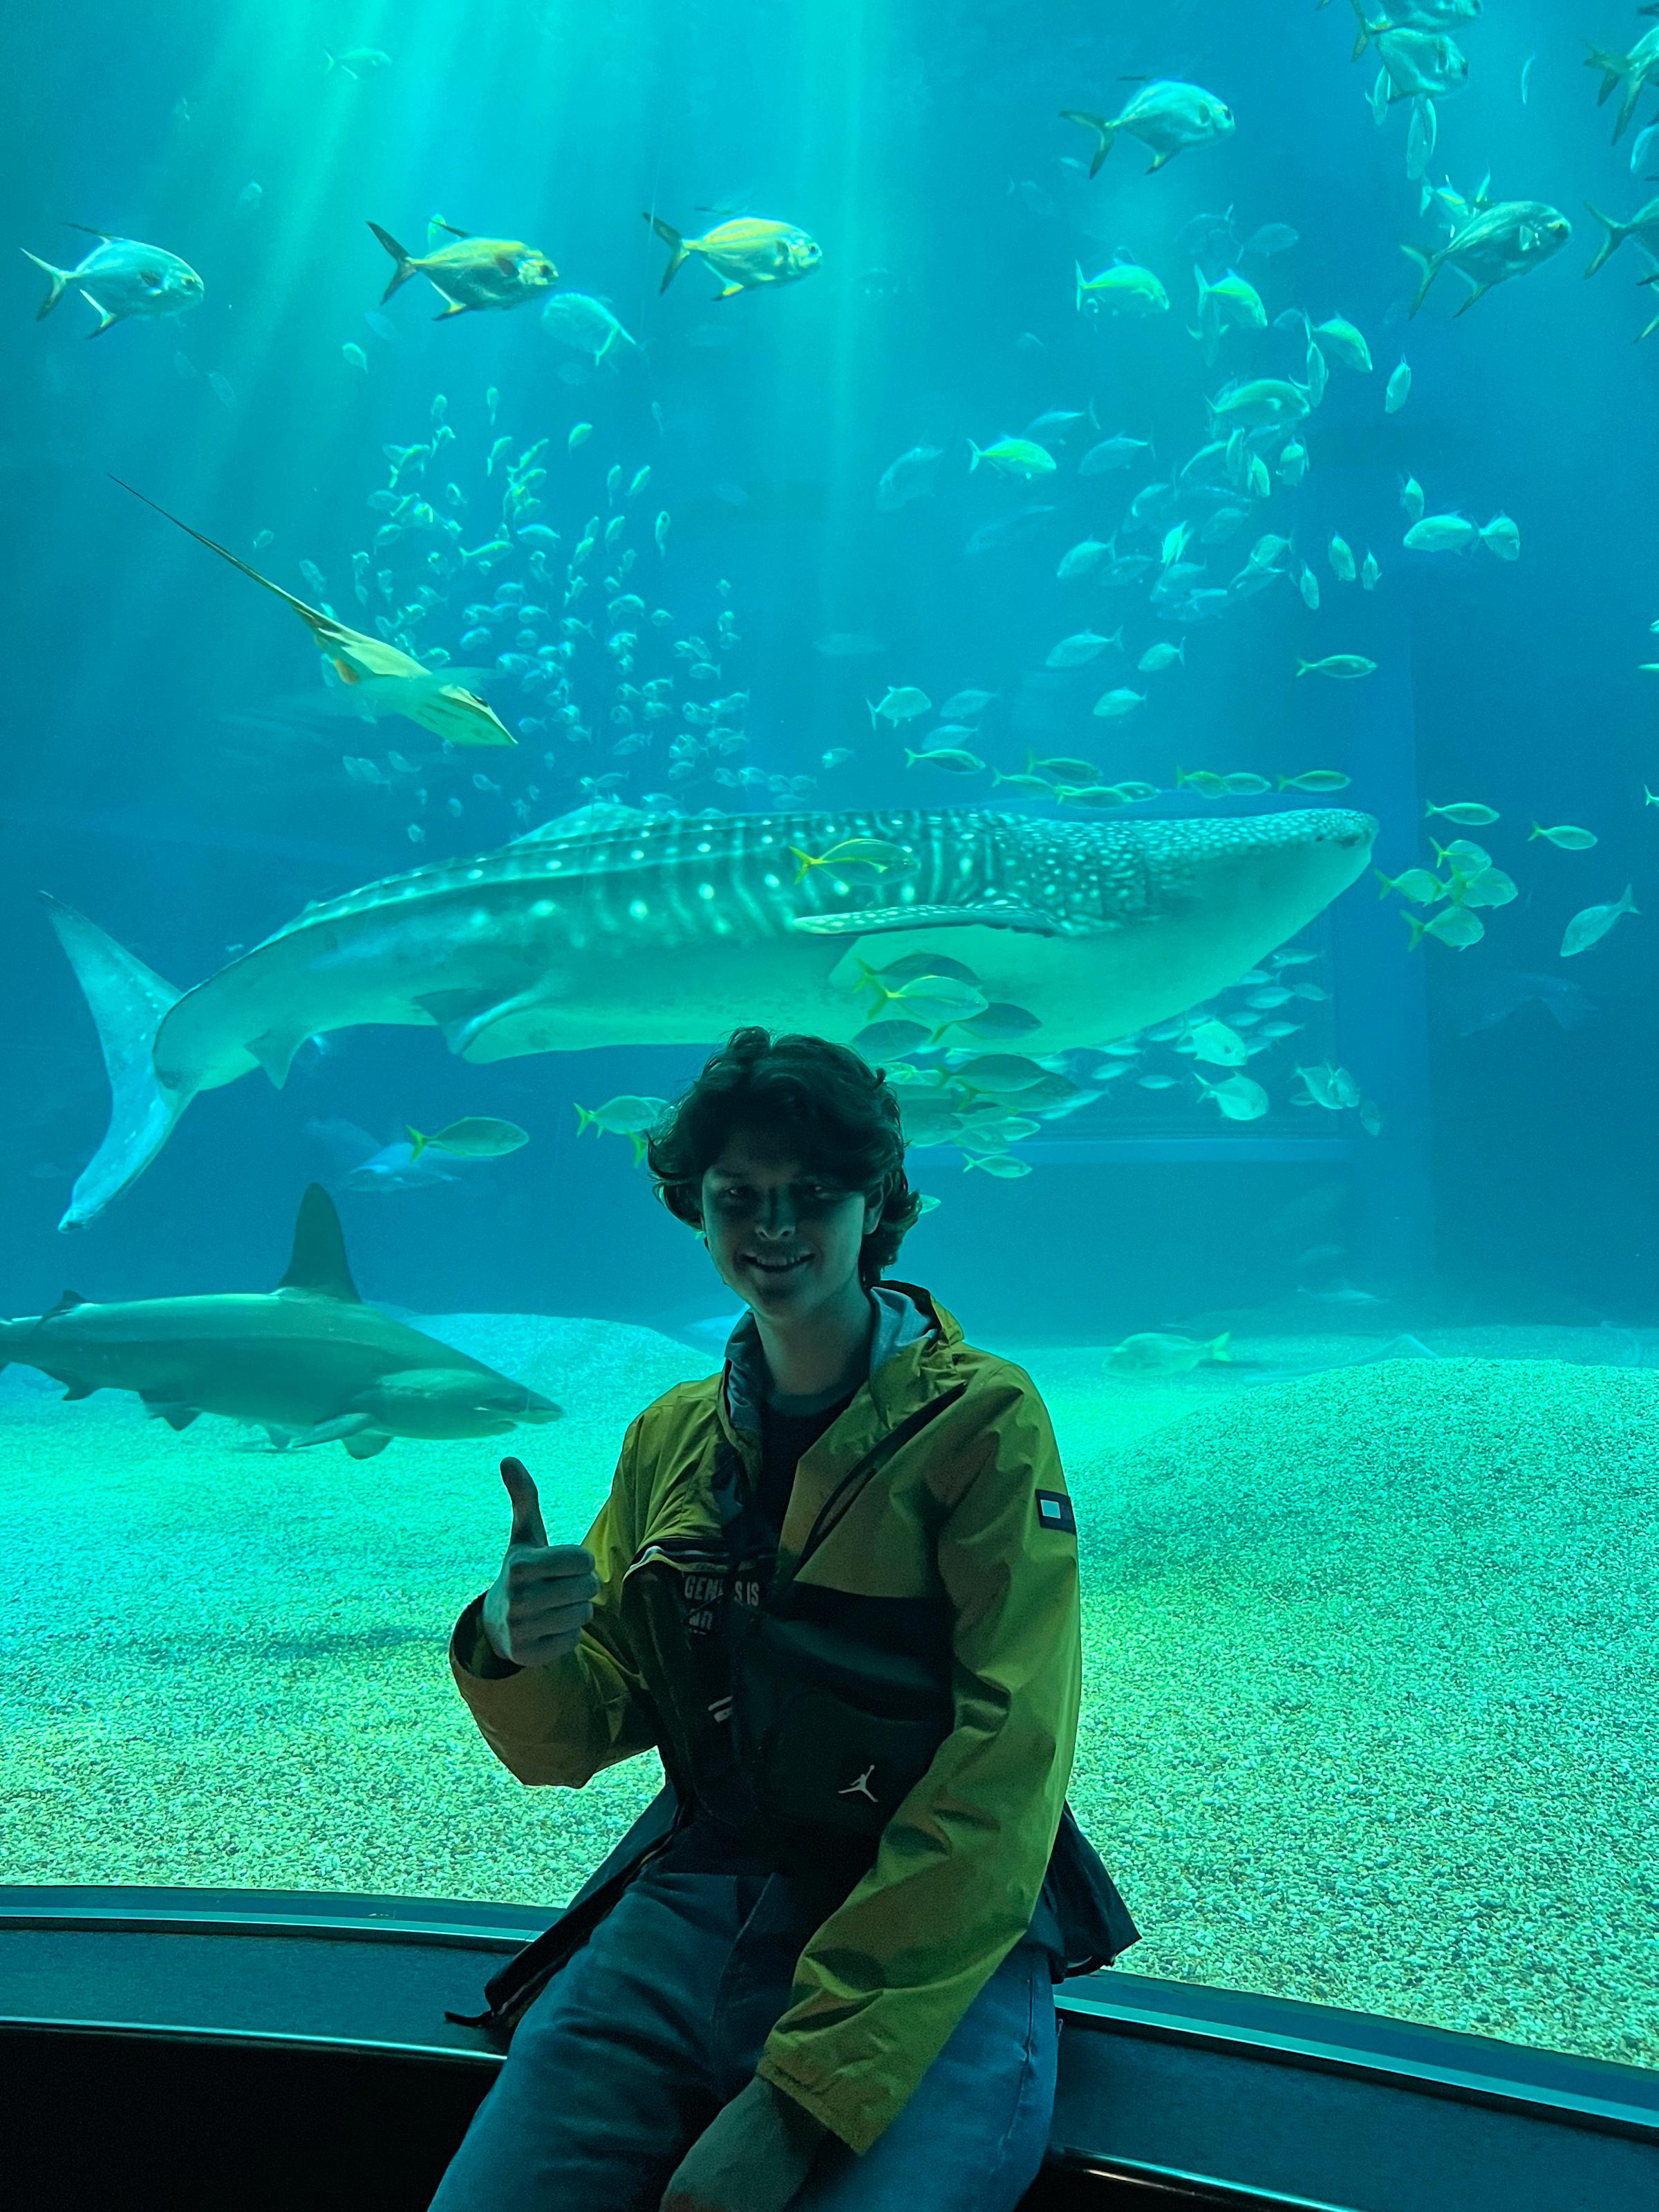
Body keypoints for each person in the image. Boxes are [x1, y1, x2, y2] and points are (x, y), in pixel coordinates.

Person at [433, 1027, 1138, 2212]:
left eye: (812, 1195)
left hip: (934, 1934)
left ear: (879, 1206)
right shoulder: (669, 1435)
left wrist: (803, 2096)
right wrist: (514, 1647)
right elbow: (577, 1736)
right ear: (694, 1212)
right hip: (698, 1891)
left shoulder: (982, 1423)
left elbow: (1005, 1763)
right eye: (738, 1197)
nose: (773, 1227)